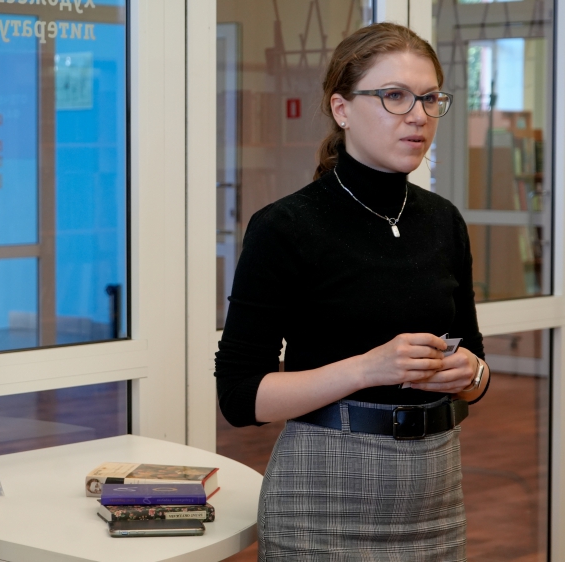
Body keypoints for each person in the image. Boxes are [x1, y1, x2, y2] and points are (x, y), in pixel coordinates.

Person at [214, 22, 491, 561]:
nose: (418, 115)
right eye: (395, 96)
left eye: (430, 98)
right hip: (323, 494)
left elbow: (475, 366)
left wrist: (471, 375)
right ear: (341, 109)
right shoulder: (286, 226)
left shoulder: (444, 221)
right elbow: (241, 398)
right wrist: (368, 369)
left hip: (437, 492)